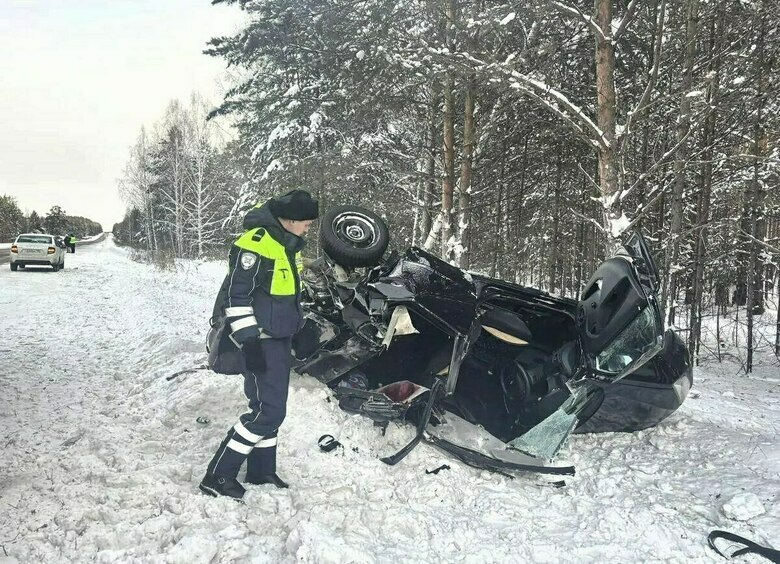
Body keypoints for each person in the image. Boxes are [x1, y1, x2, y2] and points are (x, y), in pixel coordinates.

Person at [200, 189, 318, 500]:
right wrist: (248, 342)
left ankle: (261, 470)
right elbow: (236, 299)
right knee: (267, 412)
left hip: (278, 342)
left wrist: (300, 327)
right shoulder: (255, 245)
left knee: (270, 407)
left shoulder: (286, 246)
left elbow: (285, 295)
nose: (308, 228)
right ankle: (218, 476)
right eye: (306, 222)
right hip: (258, 343)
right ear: (290, 220)